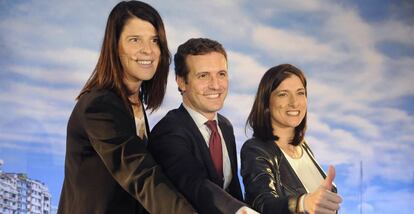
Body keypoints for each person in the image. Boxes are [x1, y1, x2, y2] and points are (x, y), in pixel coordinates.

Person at [58, 1, 196, 213]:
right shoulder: (99, 106)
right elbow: (142, 176)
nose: (148, 51)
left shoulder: (134, 101)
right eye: (134, 40)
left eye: (154, 40)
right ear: (115, 46)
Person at [148, 38, 257, 214]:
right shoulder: (168, 132)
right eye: (203, 76)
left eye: (221, 74)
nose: (215, 85)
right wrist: (239, 211)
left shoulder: (225, 126)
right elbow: (193, 182)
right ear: (181, 82)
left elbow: (232, 189)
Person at [241, 64, 343, 214]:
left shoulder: (304, 149)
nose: (294, 102)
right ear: (266, 101)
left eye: (300, 93)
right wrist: (303, 203)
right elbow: (262, 204)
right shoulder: (255, 149)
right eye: (283, 94)